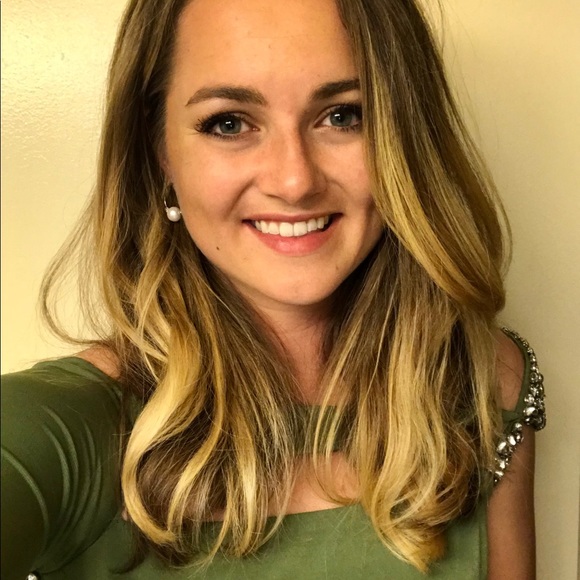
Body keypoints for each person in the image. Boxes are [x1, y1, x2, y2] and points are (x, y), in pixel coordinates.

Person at [1, 0, 546, 578]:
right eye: (229, 123)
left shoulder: (487, 377)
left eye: (344, 115)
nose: (295, 181)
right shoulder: (67, 427)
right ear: (159, 151)